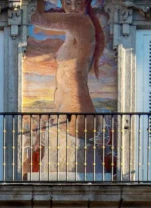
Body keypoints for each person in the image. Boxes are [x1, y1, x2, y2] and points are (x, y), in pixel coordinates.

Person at [30, 0, 105, 137]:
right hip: (70, 114)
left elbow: (36, 18)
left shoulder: (80, 22)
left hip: (76, 114)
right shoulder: (75, 29)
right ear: (62, 4)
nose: (73, 8)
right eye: (68, 3)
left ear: (86, 4)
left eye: (78, 3)